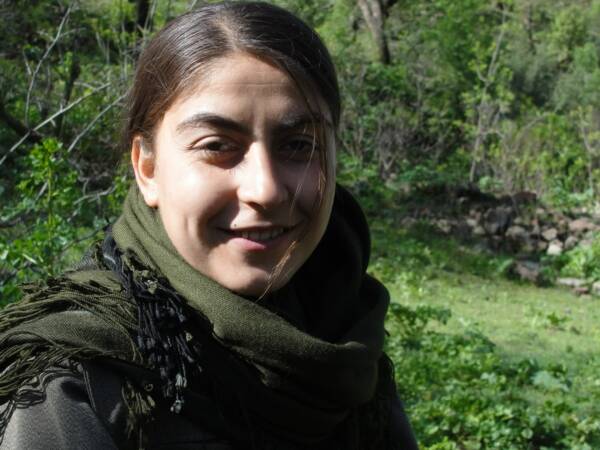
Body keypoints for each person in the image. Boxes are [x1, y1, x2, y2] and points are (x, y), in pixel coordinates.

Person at [0, 2, 418, 449]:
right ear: (147, 168)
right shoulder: (75, 380)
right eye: (217, 145)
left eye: (299, 145)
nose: (265, 190)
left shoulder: (344, 341)